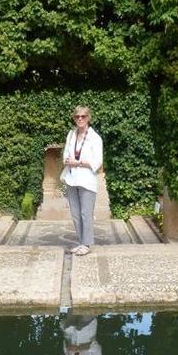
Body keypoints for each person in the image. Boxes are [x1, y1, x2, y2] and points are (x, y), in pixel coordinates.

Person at [60, 106, 103, 256]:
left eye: (83, 116)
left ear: (88, 118)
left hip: (87, 181)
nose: (80, 119)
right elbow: (65, 155)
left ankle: (87, 243)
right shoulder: (71, 134)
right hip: (72, 179)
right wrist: (67, 160)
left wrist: (78, 163)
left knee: (86, 214)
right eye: (77, 116)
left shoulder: (95, 138)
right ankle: (81, 242)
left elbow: (97, 162)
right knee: (76, 214)